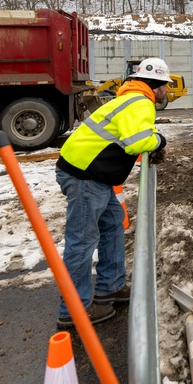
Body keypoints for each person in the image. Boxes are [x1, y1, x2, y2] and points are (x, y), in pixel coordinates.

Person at [53, 57, 170, 329]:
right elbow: (138, 141)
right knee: (82, 241)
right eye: (166, 85)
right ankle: (74, 309)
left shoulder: (129, 99)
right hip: (85, 177)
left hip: (93, 175)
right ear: (159, 86)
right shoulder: (141, 103)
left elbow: (136, 132)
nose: (167, 91)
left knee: (112, 226)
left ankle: (110, 286)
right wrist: (161, 142)